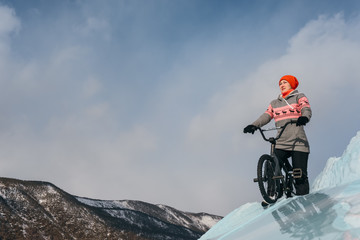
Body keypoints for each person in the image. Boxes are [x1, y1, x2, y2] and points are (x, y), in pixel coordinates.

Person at [244, 75, 312, 196]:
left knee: (299, 174)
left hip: (298, 141)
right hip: (281, 141)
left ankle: (303, 199)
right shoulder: (274, 103)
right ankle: (272, 194)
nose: (282, 85)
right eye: (280, 83)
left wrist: (304, 117)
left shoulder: (299, 96)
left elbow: (306, 108)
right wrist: (254, 125)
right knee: (271, 166)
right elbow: (266, 116)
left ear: (292, 84)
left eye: (285, 82)